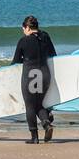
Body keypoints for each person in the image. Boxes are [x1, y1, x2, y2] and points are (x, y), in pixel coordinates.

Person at [12, 15, 57, 144]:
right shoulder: (45, 37)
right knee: (39, 104)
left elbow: (15, 62)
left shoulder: (23, 41)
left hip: (30, 75)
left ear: (27, 27)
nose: (23, 32)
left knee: (30, 106)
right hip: (44, 74)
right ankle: (46, 124)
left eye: (23, 29)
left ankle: (34, 137)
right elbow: (53, 55)